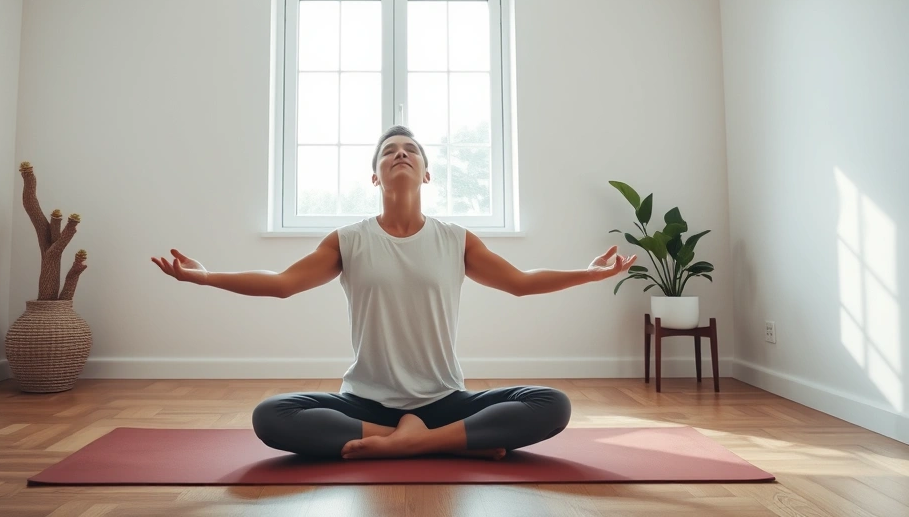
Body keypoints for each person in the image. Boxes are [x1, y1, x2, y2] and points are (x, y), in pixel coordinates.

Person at [152, 125, 637, 460]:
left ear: (426, 173)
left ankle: (418, 439)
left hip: (445, 397)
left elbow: (521, 283)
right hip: (366, 402)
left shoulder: (455, 239)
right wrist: (207, 275)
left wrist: (587, 274)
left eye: (410, 150)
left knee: (552, 403)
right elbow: (281, 285)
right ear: (375, 176)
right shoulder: (349, 240)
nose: (400, 153)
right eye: (389, 151)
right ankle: (436, 441)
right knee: (271, 416)